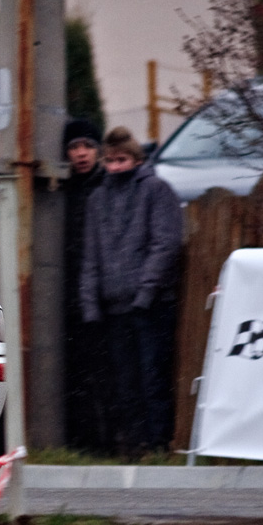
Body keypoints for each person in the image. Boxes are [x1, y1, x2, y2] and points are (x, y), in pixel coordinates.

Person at [78, 125, 182, 457]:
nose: (115, 167)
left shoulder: (157, 191)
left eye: (122, 160)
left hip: (150, 306)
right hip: (114, 307)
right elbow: (91, 254)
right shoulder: (98, 198)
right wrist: (90, 304)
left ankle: (157, 443)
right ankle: (133, 444)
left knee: (152, 378)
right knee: (123, 384)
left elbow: (165, 244)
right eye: (110, 161)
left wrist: (146, 294)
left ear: (136, 159)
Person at [61, 118, 111, 453]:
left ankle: (104, 441)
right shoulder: (62, 190)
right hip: (71, 291)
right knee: (76, 370)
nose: (81, 154)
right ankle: (81, 440)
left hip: (104, 292)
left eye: (87, 147)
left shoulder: (107, 188)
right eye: (74, 148)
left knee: (103, 371)